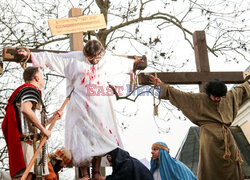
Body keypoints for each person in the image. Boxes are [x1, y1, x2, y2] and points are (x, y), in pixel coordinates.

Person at [18, 40, 143, 180]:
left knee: (99, 138)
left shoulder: (107, 60)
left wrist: (134, 63)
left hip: (100, 106)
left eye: (97, 58)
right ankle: (84, 174)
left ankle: (96, 172)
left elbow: (121, 63)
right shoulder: (74, 59)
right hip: (79, 104)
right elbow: (52, 58)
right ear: (85, 54)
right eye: (91, 58)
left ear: (102, 54)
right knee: (81, 139)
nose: (95, 60)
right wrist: (30, 55)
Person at [149, 76, 250, 180]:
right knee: (211, 168)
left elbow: (241, 90)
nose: (217, 99)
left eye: (220, 97)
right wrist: (162, 86)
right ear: (209, 93)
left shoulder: (227, 97)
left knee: (232, 167)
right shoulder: (198, 99)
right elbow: (180, 95)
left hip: (227, 140)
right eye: (215, 96)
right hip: (210, 140)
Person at [1, 66, 62, 180]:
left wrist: (51, 119)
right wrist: (44, 130)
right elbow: (26, 109)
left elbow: (31, 122)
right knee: (27, 176)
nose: (43, 79)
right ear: (37, 78)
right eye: (42, 77)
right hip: (28, 143)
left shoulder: (24, 91)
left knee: (33, 176)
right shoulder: (31, 90)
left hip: (31, 142)